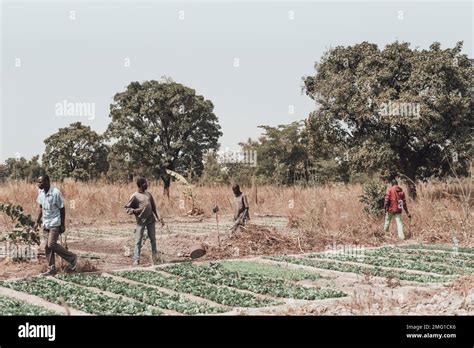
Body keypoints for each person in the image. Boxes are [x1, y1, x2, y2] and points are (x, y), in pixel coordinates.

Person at [33, 175, 77, 276]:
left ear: (47, 182)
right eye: (38, 182)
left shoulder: (56, 193)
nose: (38, 184)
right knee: (47, 247)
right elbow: (41, 207)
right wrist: (36, 222)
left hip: (55, 222)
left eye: (40, 182)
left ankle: (72, 257)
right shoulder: (41, 192)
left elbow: (62, 209)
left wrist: (62, 224)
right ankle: (51, 269)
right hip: (46, 223)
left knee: (51, 244)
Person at [125, 178, 164, 265]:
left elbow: (154, 208)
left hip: (151, 220)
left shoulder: (148, 194)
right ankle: (136, 259)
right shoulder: (134, 196)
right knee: (138, 240)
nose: (147, 185)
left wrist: (159, 218)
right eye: (146, 184)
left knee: (153, 239)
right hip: (141, 221)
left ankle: (155, 258)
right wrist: (135, 211)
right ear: (141, 185)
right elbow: (127, 209)